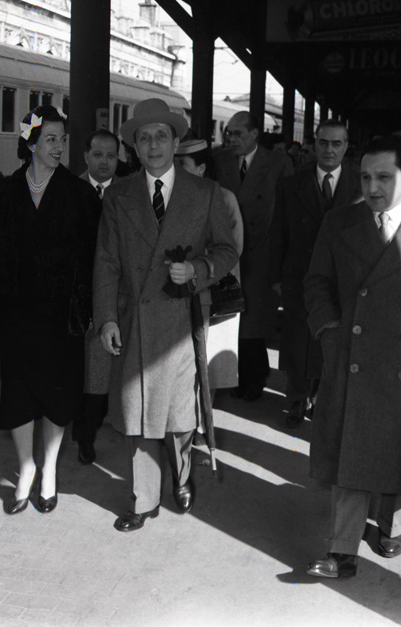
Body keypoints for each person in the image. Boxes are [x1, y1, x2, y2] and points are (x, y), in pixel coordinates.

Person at [94, 98, 238, 532]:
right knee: (138, 410)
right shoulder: (118, 195)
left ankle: (182, 471)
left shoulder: (205, 193)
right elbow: (107, 261)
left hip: (181, 320)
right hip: (134, 320)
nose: (153, 144)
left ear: (176, 143)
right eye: (144, 138)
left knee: (177, 412)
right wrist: (107, 318)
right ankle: (144, 499)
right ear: (134, 147)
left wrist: (197, 269)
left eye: (161, 136)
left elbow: (227, 251)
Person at [0, 105, 100, 515]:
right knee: (18, 394)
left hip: (61, 317)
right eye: (50, 139)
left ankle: (49, 471)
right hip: (16, 314)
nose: (59, 146)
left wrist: (89, 309)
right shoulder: (5, 192)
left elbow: (93, 260)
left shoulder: (81, 195)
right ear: (30, 143)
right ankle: (26, 467)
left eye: (62, 139)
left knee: (57, 394)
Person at [305, 136, 401, 579]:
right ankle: (341, 550)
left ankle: (391, 526)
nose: (372, 187)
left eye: (384, 177)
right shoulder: (340, 222)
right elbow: (316, 283)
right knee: (350, 452)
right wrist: (330, 333)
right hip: (352, 355)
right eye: (366, 176)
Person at [269, 120, 361, 428]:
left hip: (343, 278)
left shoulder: (360, 183)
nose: (329, 149)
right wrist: (276, 277)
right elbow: (278, 233)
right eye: (323, 142)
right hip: (300, 276)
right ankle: (296, 399)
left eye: (337, 143)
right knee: (298, 339)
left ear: (346, 147)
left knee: (332, 338)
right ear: (314, 145)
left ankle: (322, 399)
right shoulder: (291, 184)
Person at [214, 111, 293, 400]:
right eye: (228, 133)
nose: (231, 139)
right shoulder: (219, 160)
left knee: (254, 322)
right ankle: (237, 377)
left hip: (263, 254)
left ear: (254, 134)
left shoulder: (278, 163)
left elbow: (287, 211)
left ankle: (254, 378)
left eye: (237, 133)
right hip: (229, 250)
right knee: (232, 317)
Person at [174, 139, 244, 398]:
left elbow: (233, 247)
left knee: (209, 361)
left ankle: (205, 417)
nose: (175, 169)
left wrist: (197, 267)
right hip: (179, 291)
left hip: (214, 289)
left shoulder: (224, 197)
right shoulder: (169, 195)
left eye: (182, 164)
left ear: (202, 168)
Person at [72, 129, 120, 465]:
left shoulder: (129, 193)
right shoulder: (68, 191)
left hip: (117, 293)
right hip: (79, 294)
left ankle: (95, 424)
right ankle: (84, 437)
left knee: (105, 369)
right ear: (86, 156)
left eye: (111, 156)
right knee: (90, 371)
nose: (104, 162)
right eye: (98, 155)